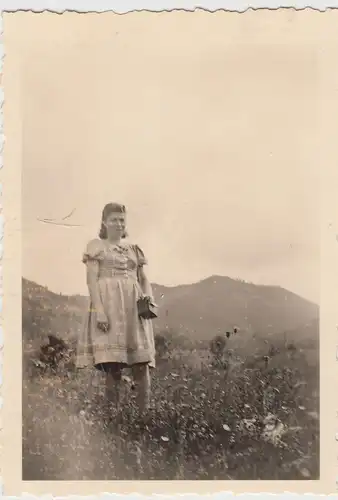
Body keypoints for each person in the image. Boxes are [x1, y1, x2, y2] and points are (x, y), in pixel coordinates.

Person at [76, 202, 156, 413]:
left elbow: (143, 278)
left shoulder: (133, 249)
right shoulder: (96, 246)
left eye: (122, 220)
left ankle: (144, 416)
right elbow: (92, 281)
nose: (119, 224)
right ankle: (113, 417)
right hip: (109, 307)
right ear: (104, 222)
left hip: (133, 308)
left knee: (142, 362)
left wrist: (147, 296)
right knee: (113, 364)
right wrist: (99, 311)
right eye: (114, 219)